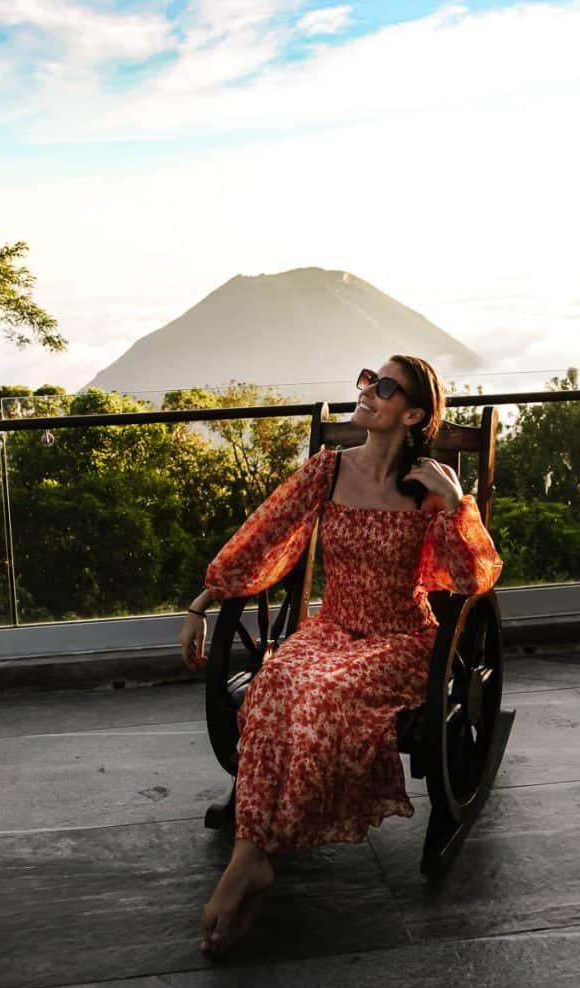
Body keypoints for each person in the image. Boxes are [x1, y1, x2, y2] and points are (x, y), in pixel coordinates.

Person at [179, 355, 503, 956]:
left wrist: (458, 504)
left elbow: (470, 580)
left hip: (400, 639)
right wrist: (202, 602)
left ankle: (250, 861)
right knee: (276, 683)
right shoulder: (327, 469)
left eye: (383, 387)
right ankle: (253, 855)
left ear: (412, 413)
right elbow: (263, 533)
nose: (367, 392)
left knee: (322, 696)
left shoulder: (429, 489)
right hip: (332, 628)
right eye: (366, 380)